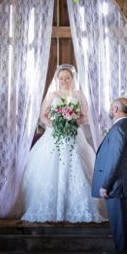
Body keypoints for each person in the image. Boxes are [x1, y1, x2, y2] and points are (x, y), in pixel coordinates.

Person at [16, 64, 106, 222]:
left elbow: (85, 116)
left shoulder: (79, 95)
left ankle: (78, 208)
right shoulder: (52, 95)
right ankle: (48, 209)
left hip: (73, 135)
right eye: (61, 78)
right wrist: (55, 124)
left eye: (67, 78)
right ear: (58, 79)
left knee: (78, 167)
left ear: (72, 79)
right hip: (54, 135)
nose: (64, 81)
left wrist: (72, 121)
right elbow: (43, 116)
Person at [92, 97, 127, 254]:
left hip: (115, 186)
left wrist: (106, 185)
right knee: (122, 227)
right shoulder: (125, 127)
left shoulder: (119, 129)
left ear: (116, 109)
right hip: (119, 185)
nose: (110, 110)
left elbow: (114, 161)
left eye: (111, 107)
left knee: (119, 228)